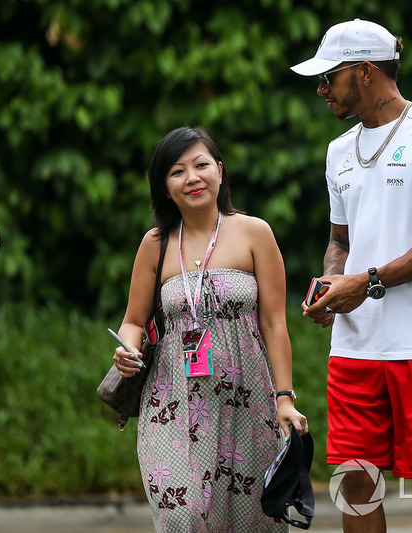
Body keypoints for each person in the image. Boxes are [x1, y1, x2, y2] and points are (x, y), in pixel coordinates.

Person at [291, 19, 412, 533]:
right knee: (355, 481)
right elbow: (340, 241)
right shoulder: (337, 151)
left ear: (365, 72)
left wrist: (367, 282)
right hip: (355, 347)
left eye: (329, 78)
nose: (321, 89)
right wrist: (331, 284)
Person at [112, 126, 308, 532]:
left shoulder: (256, 233)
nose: (193, 178)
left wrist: (284, 398)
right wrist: (127, 348)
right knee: (181, 516)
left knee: (250, 521)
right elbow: (133, 320)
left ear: (219, 172)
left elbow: (274, 324)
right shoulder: (156, 243)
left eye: (201, 165)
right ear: (166, 188)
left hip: (247, 404)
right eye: (177, 171)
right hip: (172, 403)